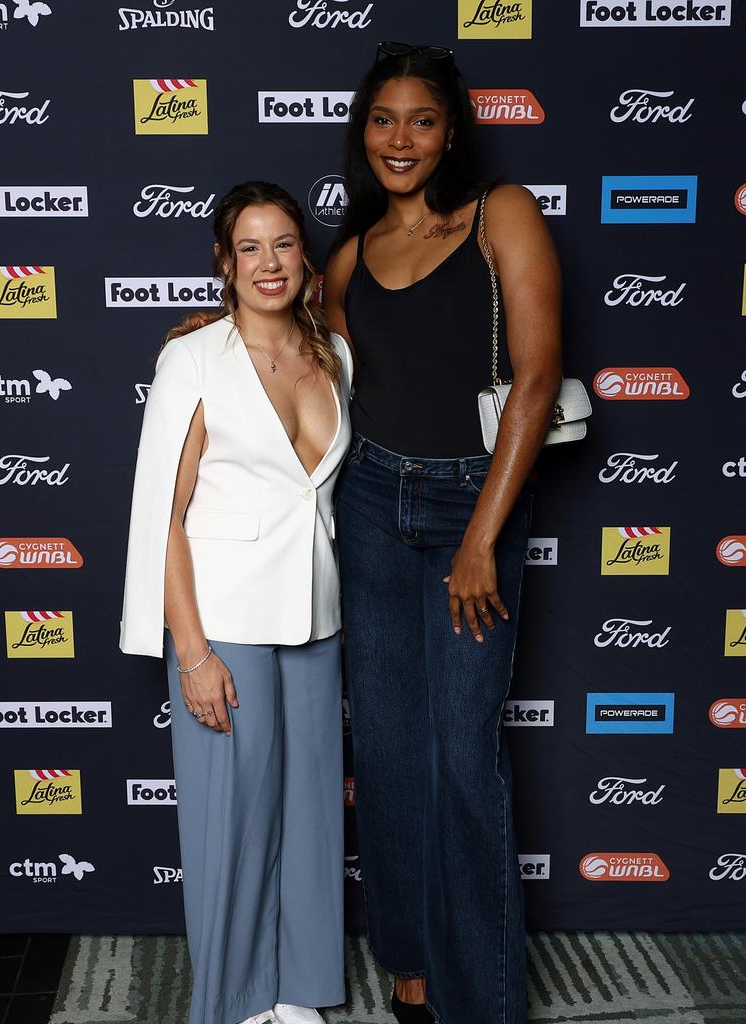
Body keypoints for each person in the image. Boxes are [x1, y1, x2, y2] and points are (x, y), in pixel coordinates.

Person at [323, 43, 562, 1024]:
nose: (401, 138)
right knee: (384, 752)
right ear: (364, 131)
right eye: (384, 119)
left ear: (451, 130)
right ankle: (414, 970)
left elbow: (538, 378)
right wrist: (206, 325)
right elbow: (297, 346)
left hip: (477, 505)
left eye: (422, 119)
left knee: (463, 759)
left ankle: (485, 1003)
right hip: (374, 504)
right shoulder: (348, 254)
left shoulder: (499, 213)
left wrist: (480, 540)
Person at [120, 181, 354, 1024]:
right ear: (224, 261)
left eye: (284, 244)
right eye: (249, 247)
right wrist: (194, 652)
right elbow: (165, 515)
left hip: (317, 619)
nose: (269, 263)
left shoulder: (334, 352)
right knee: (233, 825)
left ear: (305, 256)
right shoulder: (192, 359)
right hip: (225, 623)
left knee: (311, 814)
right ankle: (235, 1002)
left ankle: (299, 991)